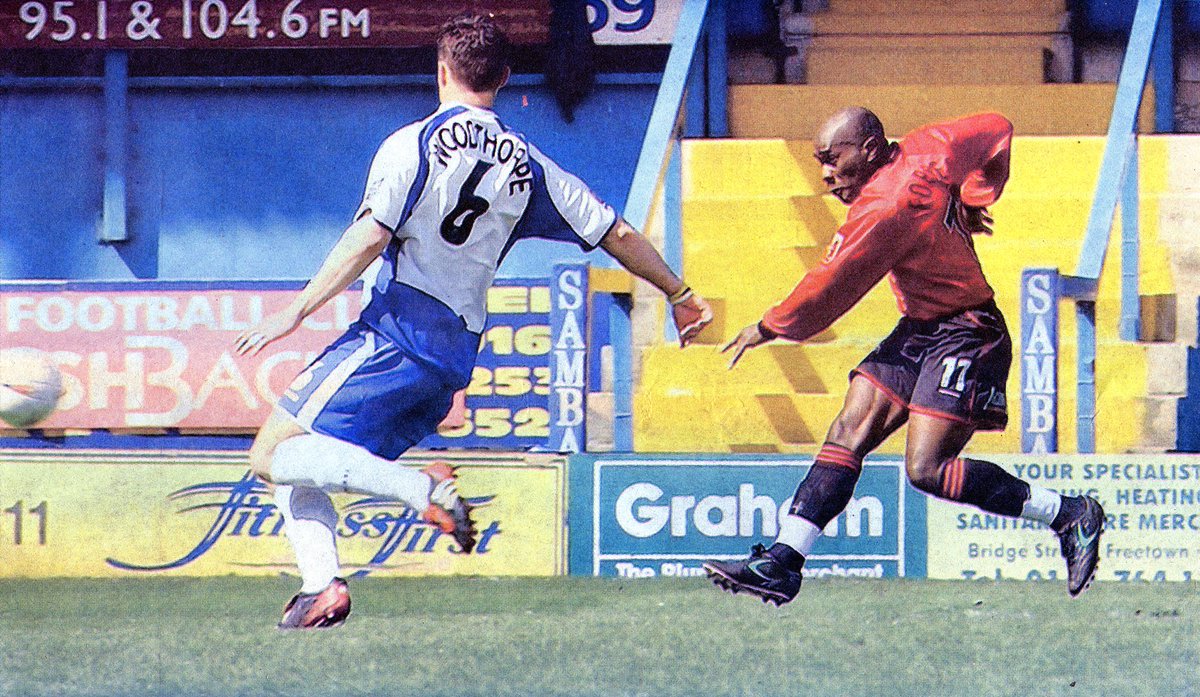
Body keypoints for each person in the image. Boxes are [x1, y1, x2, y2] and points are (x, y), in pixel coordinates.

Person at [235, 13, 712, 630]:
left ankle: (423, 493)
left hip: (395, 335)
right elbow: (615, 231)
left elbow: (369, 236)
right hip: (453, 358)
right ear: (506, 78)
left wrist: (295, 311)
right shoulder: (532, 165)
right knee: (306, 461)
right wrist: (679, 290)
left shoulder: (411, 143)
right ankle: (321, 587)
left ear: (440, 71)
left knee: (272, 453)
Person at [703, 107, 1104, 605]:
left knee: (927, 469)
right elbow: (998, 127)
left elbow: (830, 286)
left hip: (968, 332)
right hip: (920, 328)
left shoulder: (883, 207)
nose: (825, 175)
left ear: (870, 150)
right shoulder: (929, 148)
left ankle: (1069, 513)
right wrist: (971, 192)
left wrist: (770, 326)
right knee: (849, 428)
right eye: (819, 161)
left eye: (833, 159)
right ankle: (782, 562)